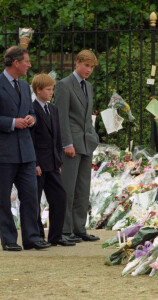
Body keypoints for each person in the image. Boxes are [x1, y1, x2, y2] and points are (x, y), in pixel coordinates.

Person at [0, 46, 51, 251]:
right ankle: (9, 239)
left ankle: (31, 237)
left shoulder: (23, 85)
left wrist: (32, 118)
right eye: (26, 61)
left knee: (31, 195)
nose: (29, 65)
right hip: (5, 152)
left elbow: (32, 112)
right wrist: (12, 122)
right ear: (16, 63)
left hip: (26, 152)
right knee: (3, 197)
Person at [54, 50, 99, 242]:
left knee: (83, 188)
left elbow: (87, 117)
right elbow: (61, 117)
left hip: (86, 143)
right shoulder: (64, 85)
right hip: (71, 144)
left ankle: (80, 228)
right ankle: (65, 230)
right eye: (86, 65)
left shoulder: (88, 86)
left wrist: (92, 137)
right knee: (68, 188)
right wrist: (67, 143)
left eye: (91, 67)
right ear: (77, 62)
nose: (89, 70)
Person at [31, 74, 75, 247]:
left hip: (52, 163)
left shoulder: (53, 109)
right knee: (34, 200)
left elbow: (57, 138)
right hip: (39, 164)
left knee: (60, 197)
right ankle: (38, 236)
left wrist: (58, 162)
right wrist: (34, 163)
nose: (51, 93)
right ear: (38, 90)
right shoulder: (32, 110)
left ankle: (55, 236)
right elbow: (31, 139)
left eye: (52, 89)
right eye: (48, 90)